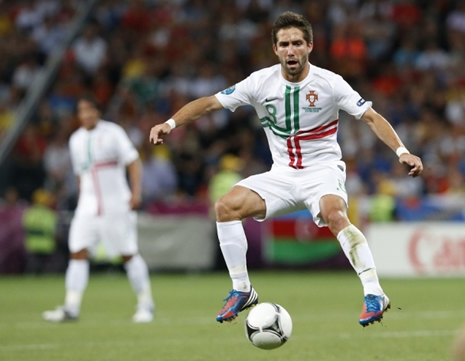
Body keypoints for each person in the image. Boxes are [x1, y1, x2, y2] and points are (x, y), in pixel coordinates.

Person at [149, 11, 423, 327]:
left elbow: (372, 117)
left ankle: (375, 293)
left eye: (296, 43)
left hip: (322, 171)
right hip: (281, 175)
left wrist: (402, 151)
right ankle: (242, 289)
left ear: (309, 46)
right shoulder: (259, 82)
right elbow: (209, 103)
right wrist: (170, 123)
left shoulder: (330, 83)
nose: (290, 50)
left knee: (335, 214)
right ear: (275, 49)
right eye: (284, 44)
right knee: (225, 207)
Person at [43, 95, 155, 323]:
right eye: (82, 111)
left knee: (127, 253)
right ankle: (71, 307)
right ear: (78, 115)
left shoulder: (112, 132)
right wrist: (81, 198)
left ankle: (146, 304)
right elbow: (79, 175)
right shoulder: (75, 139)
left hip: (115, 203)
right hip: (88, 205)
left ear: (98, 112)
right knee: (77, 252)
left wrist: (135, 193)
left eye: (90, 110)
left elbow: (133, 161)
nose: (86, 115)